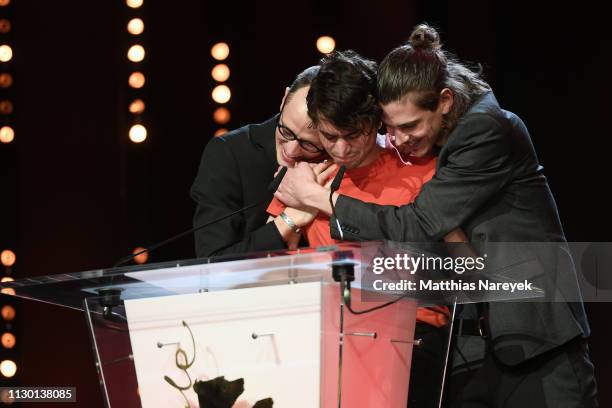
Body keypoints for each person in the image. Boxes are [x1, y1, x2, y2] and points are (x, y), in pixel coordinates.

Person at [274, 25, 598, 407]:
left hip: (537, 340)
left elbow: (419, 223)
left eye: (408, 126)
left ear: (445, 100)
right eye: (389, 128)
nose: (397, 140)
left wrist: (322, 199)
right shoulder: (441, 140)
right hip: (478, 349)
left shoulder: (487, 129)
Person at [269, 50, 461, 408]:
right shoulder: (308, 177)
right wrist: (296, 211)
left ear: (376, 121)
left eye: (352, 135)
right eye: (328, 136)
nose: (340, 149)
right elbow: (267, 262)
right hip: (322, 339)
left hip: (410, 340)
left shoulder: (424, 173)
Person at [190, 66, 333, 257]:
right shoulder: (229, 153)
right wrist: (289, 219)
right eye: (286, 131)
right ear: (284, 99)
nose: (291, 150)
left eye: (308, 144)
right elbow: (213, 262)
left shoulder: (335, 158)